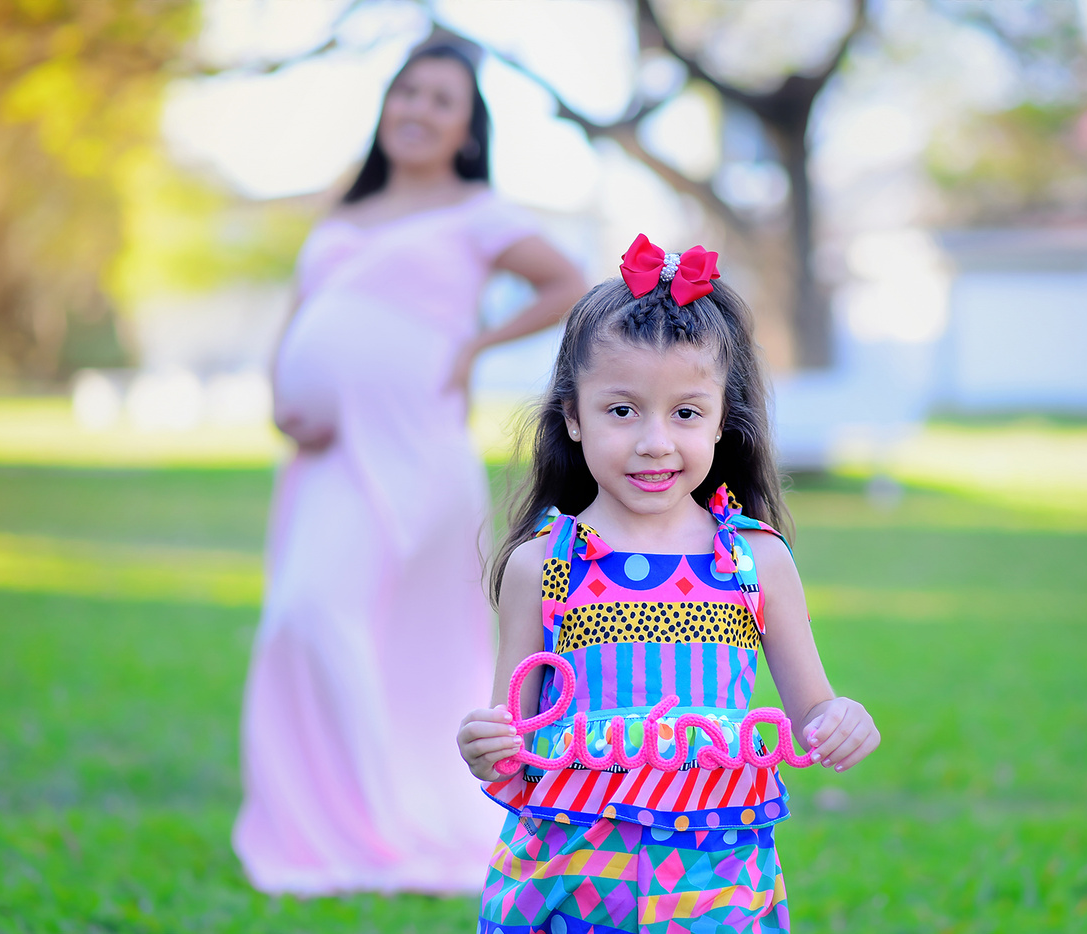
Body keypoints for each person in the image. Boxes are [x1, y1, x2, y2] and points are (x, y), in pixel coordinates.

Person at [234, 41, 586, 895]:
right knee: (305, 615)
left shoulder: (477, 211)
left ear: (468, 129)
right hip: (326, 457)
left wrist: (473, 346)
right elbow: (303, 315)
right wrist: (283, 389)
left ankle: (394, 819)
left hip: (414, 449)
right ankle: (337, 817)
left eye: (441, 100)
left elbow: (566, 284)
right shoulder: (343, 213)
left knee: (398, 635)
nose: (418, 110)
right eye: (408, 92)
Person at [457, 234, 880, 931]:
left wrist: (842, 721)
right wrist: (484, 747)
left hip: (712, 875)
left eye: (686, 413)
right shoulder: (543, 565)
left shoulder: (755, 560)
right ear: (573, 416)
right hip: (572, 874)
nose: (655, 442)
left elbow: (813, 713)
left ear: (720, 423)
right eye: (622, 410)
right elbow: (511, 742)